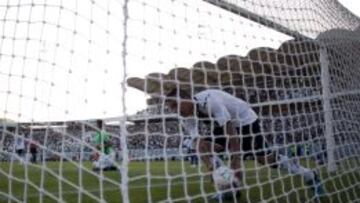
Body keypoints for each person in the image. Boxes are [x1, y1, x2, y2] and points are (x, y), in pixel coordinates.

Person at [164, 89, 324, 200]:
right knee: (203, 146)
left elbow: (230, 130)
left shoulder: (210, 101)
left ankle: (310, 175)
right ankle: (229, 188)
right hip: (222, 126)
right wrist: (211, 169)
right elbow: (198, 143)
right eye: (171, 108)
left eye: (175, 106)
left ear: (185, 99)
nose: (175, 111)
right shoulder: (186, 118)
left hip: (245, 120)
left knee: (266, 160)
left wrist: (236, 161)